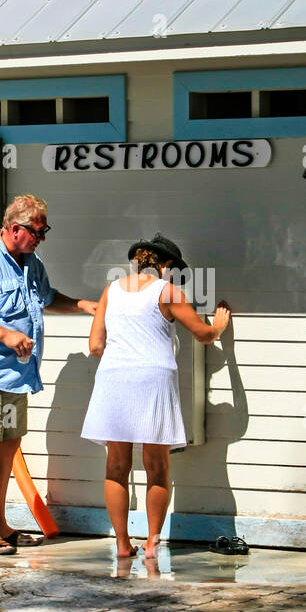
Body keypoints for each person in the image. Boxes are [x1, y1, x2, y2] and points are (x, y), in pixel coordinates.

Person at [0, 194, 97, 556]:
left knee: (8, 445)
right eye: (37, 231)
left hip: (18, 375)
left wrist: (83, 306)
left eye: (45, 231)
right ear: (15, 229)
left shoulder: (32, 262)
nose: (42, 238)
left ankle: (0, 523)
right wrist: (7, 334)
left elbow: (47, 298)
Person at [81, 233, 230, 564]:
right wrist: (218, 327)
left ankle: (121, 543)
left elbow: (95, 346)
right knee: (157, 466)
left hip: (114, 379)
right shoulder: (168, 291)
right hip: (153, 379)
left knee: (116, 466)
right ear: (165, 265)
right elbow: (202, 335)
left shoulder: (111, 291)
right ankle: (151, 543)